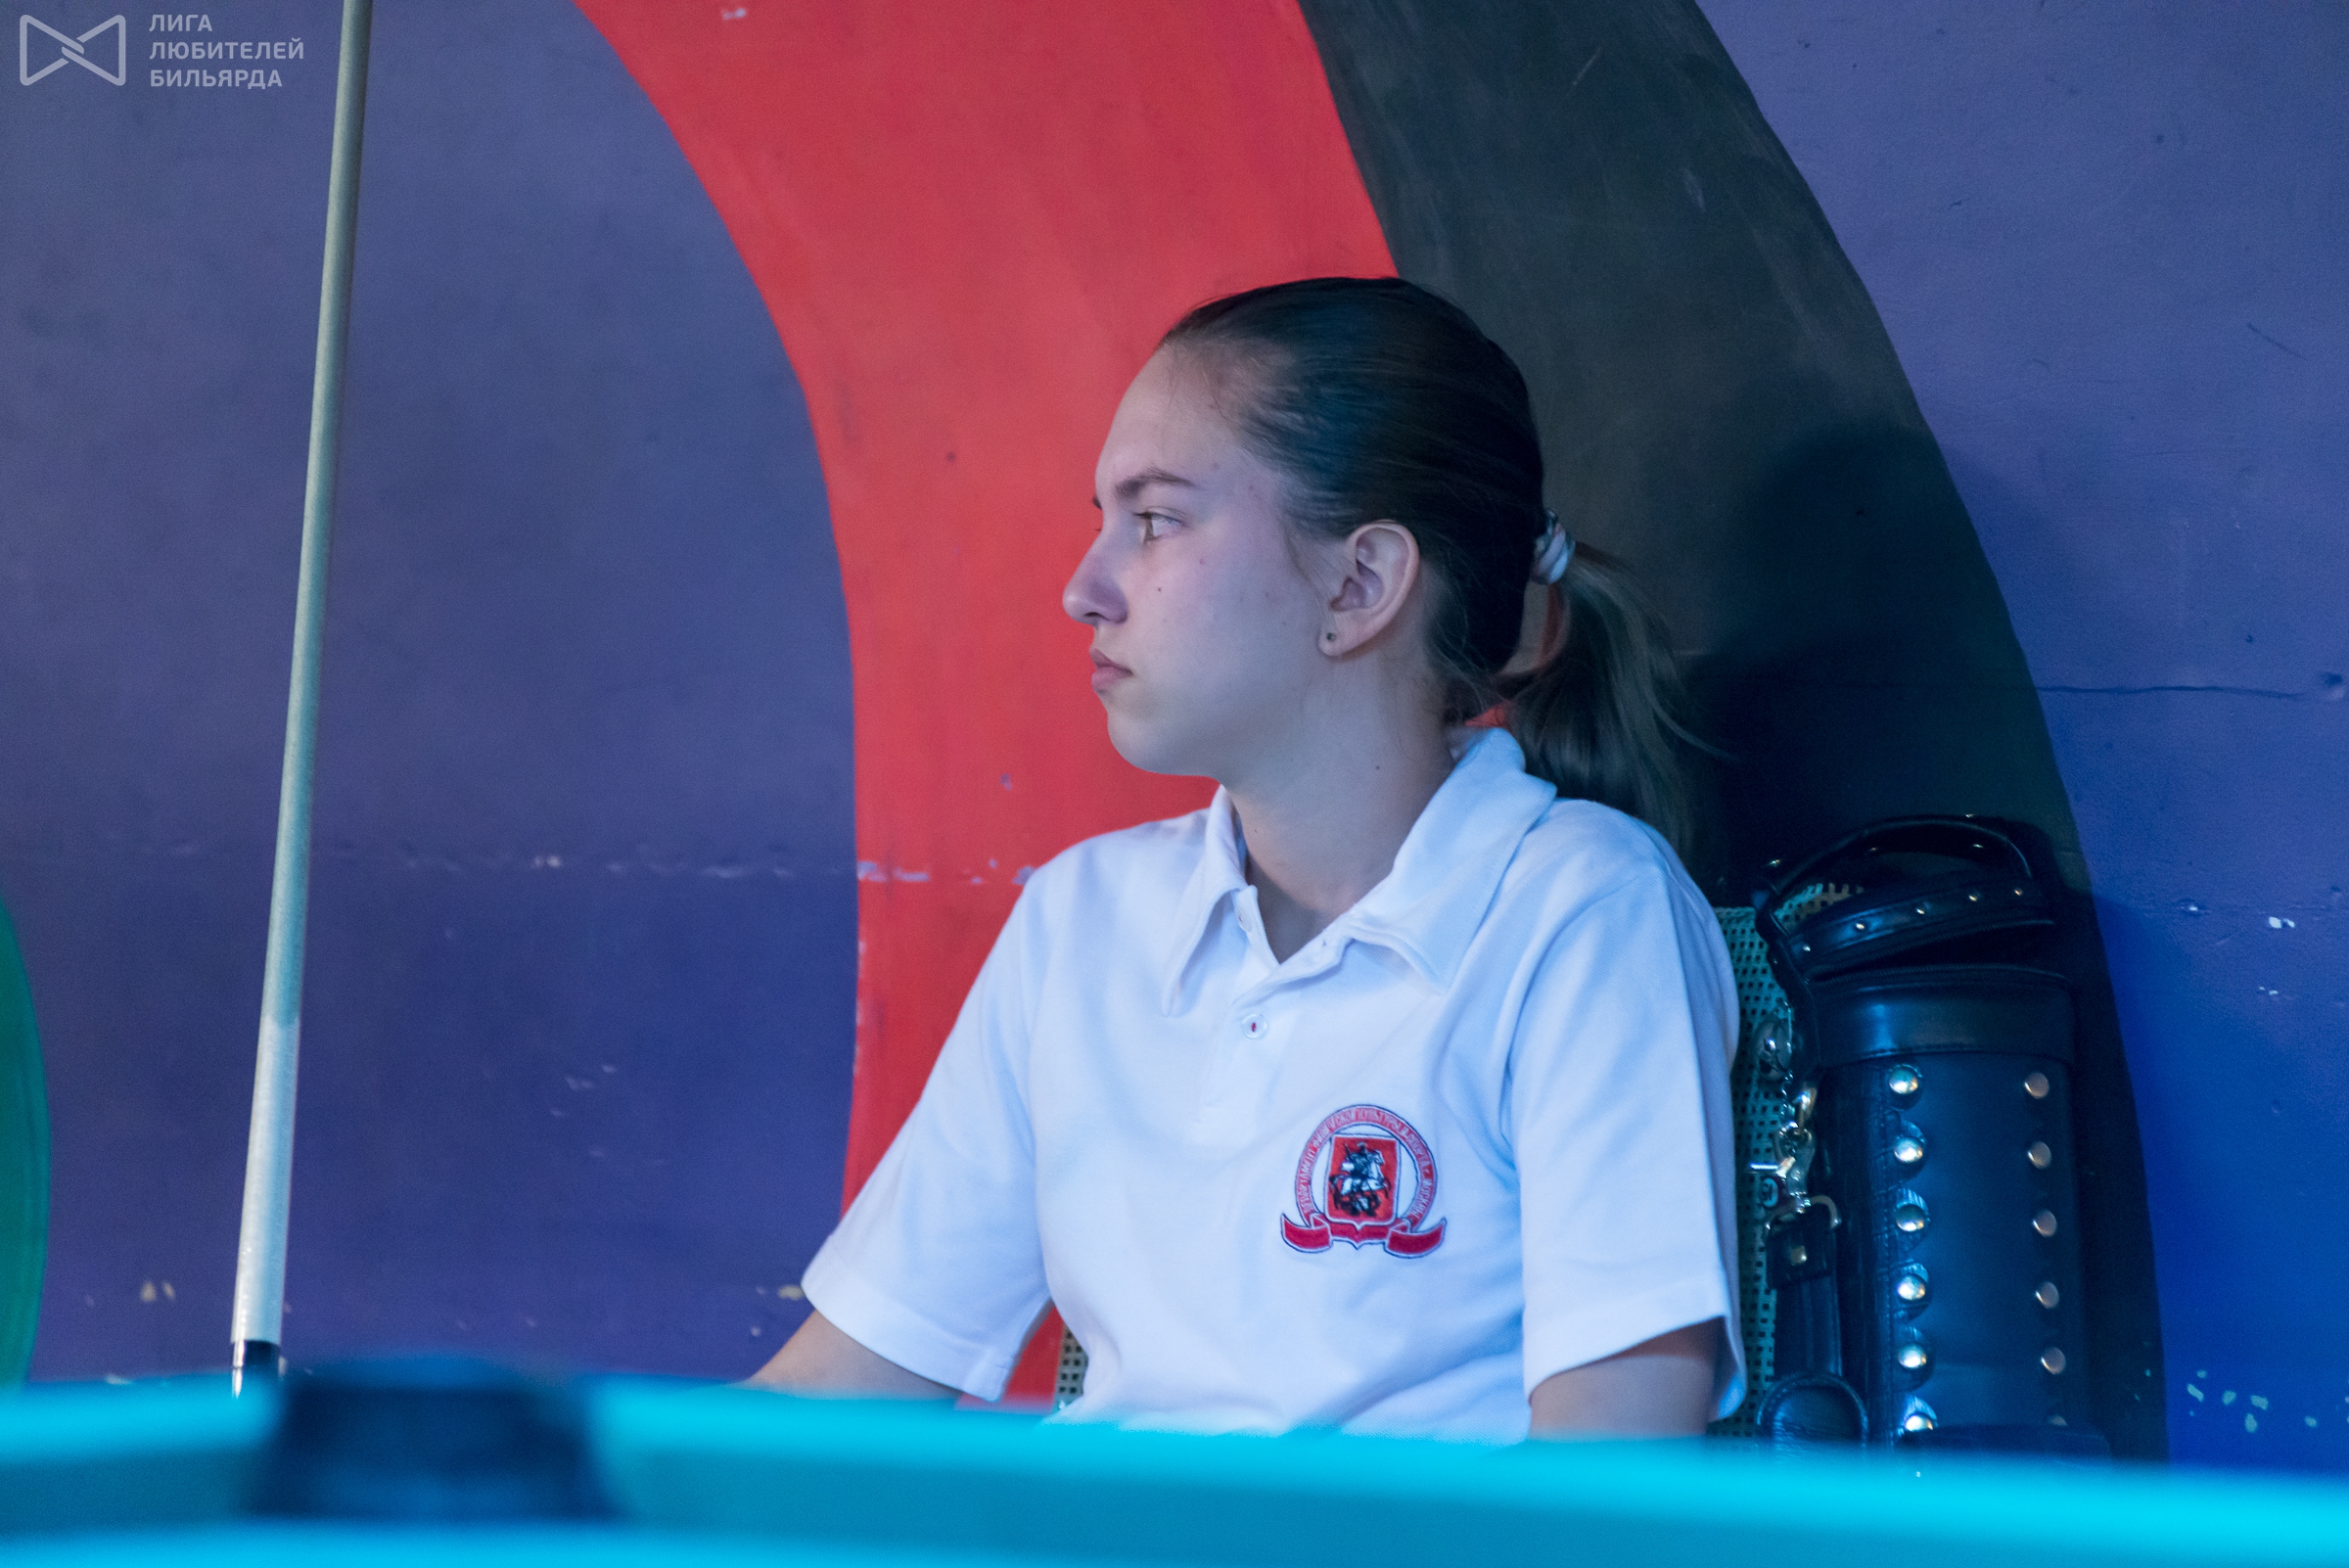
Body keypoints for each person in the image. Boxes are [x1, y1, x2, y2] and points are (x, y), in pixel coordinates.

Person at [748, 277, 1741, 1441]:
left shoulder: (1582, 912)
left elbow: (1610, 1477)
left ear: (1359, 583)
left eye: (1157, 521)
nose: (1083, 589)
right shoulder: (1083, 919)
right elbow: (829, 1397)